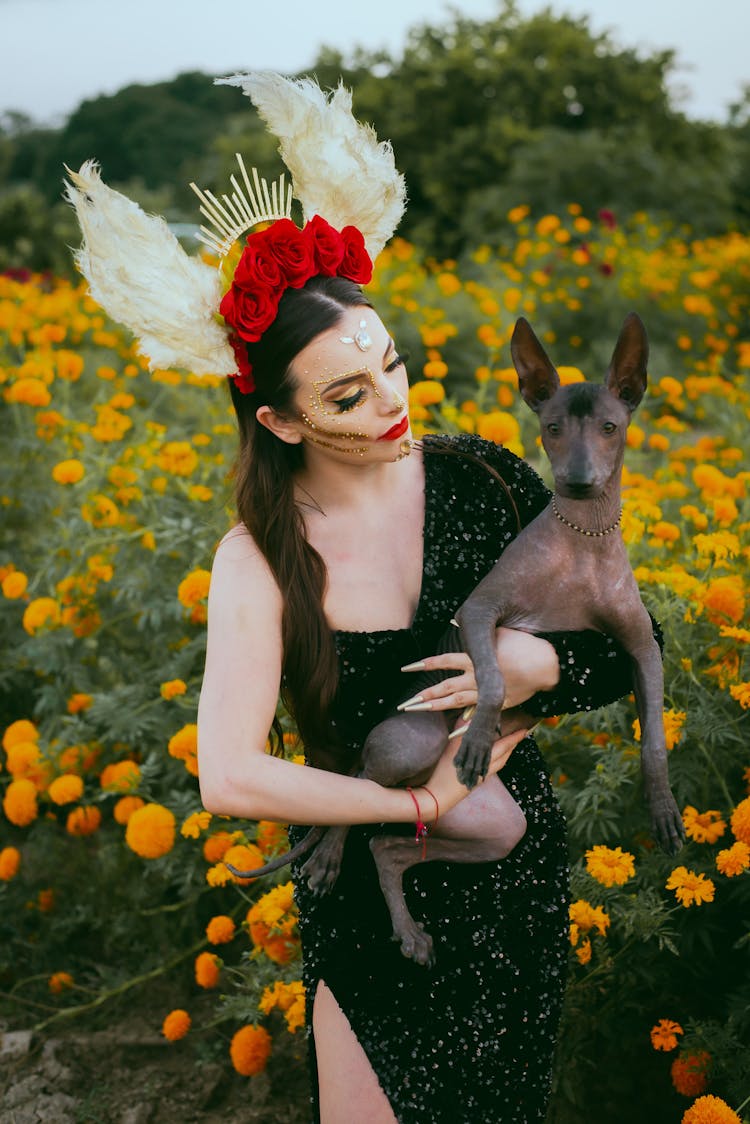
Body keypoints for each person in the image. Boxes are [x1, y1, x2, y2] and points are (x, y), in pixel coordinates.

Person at [66, 72, 644, 1123]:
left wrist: (541, 666)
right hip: (368, 899)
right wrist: (411, 806)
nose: (391, 402)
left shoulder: (485, 481)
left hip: (512, 868)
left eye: (391, 364)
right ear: (280, 422)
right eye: (346, 393)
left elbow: (631, 643)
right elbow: (231, 773)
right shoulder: (259, 557)